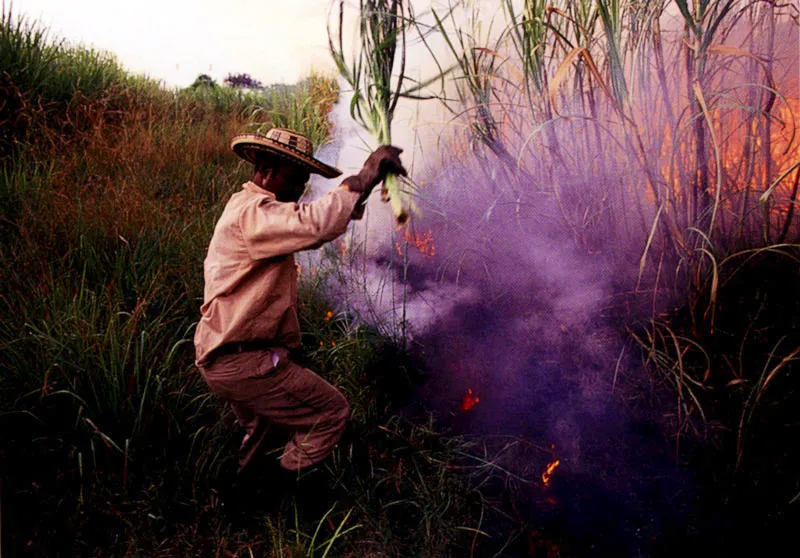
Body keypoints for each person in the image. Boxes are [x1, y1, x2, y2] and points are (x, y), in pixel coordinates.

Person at [194, 128, 406, 482]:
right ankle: (282, 492)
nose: (300, 189)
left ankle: (238, 500)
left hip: (228, 355)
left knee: (263, 428)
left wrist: (361, 192)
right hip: (243, 361)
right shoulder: (253, 214)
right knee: (330, 413)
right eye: (295, 178)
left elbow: (309, 223)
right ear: (268, 169)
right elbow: (313, 223)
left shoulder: (251, 209)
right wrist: (368, 173)